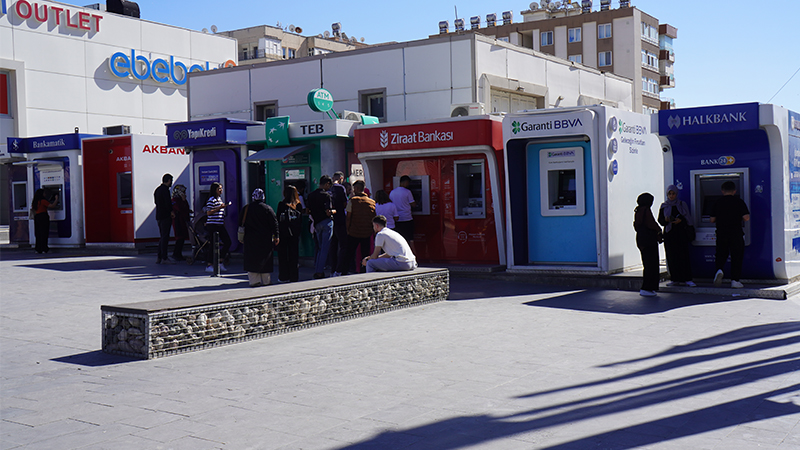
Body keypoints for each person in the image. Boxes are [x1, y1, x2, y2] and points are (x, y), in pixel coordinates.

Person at [711, 181, 750, 288]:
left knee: (721, 254)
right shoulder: (739, 202)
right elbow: (746, 217)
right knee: (736, 256)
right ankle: (735, 281)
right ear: (734, 191)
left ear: (722, 191)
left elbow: (712, 219)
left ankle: (719, 270)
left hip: (721, 233)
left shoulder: (717, 202)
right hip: (735, 233)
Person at [657, 185, 696, 287]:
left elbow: (687, 219)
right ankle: (674, 278)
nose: (671, 196)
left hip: (681, 234)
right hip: (669, 235)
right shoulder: (664, 206)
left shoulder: (682, 204)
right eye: (669, 194)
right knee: (671, 257)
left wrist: (680, 221)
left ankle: (687, 279)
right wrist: (665, 220)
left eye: (673, 193)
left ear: (676, 194)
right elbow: (660, 221)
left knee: (683, 256)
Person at [240, 188, 279, 287]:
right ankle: (266, 281)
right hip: (264, 238)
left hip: (250, 238)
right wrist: (276, 236)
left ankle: (254, 281)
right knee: (265, 259)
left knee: (252, 260)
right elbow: (274, 224)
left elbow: (240, 222)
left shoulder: (246, 208)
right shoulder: (267, 208)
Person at [343, 180, 376, 274]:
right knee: (365, 253)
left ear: (356, 189)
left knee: (349, 252)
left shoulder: (353, 201)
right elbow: (373, 217)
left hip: (354, 232)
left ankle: (344, 271)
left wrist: (348, 229)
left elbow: (348, 217)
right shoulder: (372, 202)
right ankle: (364, 270)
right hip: (367, 232)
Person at [634, 193, 662, 297]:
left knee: (647, 263)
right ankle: (648, 287)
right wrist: (659, 230)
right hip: (649, 240)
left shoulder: (637, 210)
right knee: (652, 264)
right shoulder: (646, 210)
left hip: (641, 240)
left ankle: (648, 288)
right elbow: (652, 223)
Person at [307, 175, 336, 279]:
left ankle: (317, 269)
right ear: (327, 184)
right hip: (326, 222)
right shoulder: (326, 196)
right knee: (325, 248)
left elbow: (308, 210)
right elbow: (328, 212)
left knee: (319, 248)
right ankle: (319, 271)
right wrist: (334, 211)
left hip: (316, 223)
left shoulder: (311, 195)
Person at [203, 182, 231, 272]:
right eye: (219, 189)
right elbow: (209, 212)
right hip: (212, 225)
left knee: (227, 242)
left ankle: (220, 261)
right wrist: (219, 207)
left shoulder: (219, 199)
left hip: (220, 223)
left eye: (221, 188)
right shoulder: (211, 199)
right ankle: (209, 264)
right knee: (212, 244)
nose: (221, 190)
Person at [277, 185, 303, 283]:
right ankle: (294, 276)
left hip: (283, 233)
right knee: (294, 255)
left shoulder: (282, 204)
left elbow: (278, 219)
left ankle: (283, 276)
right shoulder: (298, 205)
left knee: (283, 255)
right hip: (294, 234)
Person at [329, 171, 348, 277]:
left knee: (333, 245)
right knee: (343, 245)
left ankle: (333, 269)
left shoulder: (329, 189)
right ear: (341, 178)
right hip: (340, 218)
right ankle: (340, 269)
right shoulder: (341, 188)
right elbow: (345, 203)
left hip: (331, 219)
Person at [154, 173, 175, 264]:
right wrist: (171, 212)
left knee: (162, 236)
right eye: (171, 181)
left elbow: (156, 202)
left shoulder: (157, 190)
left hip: (159, 215)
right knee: (165, 237)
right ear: (169, 181)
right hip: (165, 216)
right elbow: (168, 203)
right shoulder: (165, 190)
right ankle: (164, 257)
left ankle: (159, 257)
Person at [390, 175, 417, 244]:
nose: (408, 185)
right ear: (405, 182)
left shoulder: (392, 192)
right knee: (410, 239)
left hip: (397, 219)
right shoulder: (407, 192)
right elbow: (413, 204)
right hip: (407, 218)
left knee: (399, 239)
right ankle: (411, 253)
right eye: (408, 183)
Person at [31, 188, 58, 254]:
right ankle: (44, 248)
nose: (45, 194)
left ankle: (38, 248)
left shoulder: (35, 201)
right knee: (44, 233)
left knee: (38, 233)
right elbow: (52, 206)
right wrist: (56, 199)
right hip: (43, 216)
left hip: (37, 217)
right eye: (44, 193)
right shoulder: (43, 201)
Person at [171, 184, 191, 262]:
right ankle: (176, 253)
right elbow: (179, 208)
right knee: (179, 237)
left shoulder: (182, 199)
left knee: (182, 237)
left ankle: (178, 253)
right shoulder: (175, 200)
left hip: (183, 220)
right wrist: (183, 201)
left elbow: (186, 207)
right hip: (178, 221)